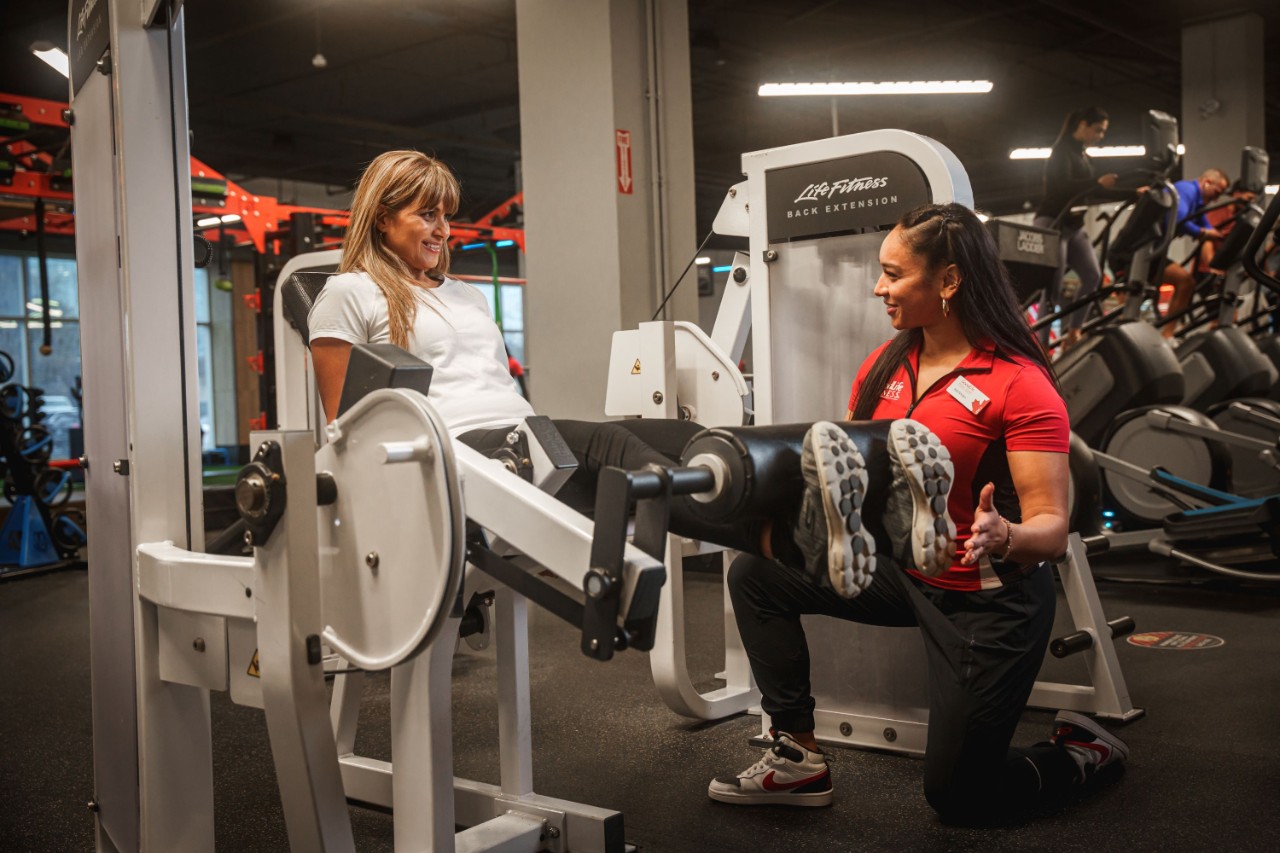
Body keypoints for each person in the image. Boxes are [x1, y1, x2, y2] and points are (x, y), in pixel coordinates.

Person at [306, 150, 956, 597]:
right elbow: (348, 428)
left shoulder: (466, 295)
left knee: (680, 438)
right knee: (610, 444)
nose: (443, 230)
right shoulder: (350, 294)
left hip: (514, 442)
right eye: (426, 214)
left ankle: (808, 531)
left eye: (446, 215)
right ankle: (798, 518)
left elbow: (499, 388)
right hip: (448, 459)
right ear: (382, 217)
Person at [708, 203, 1128, 824]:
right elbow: (857, 471)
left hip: (987, 599)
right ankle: (797, 755)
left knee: (961, 796)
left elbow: (1052, 528)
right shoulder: (884, 366)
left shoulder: (1019, 384)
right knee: (757, 574)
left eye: (893, 274)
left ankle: (1081, 752)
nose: (878, 288)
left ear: (949, 280)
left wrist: (1005, 534)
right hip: (905, 573)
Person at [1032, 107, 1121, 352]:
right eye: (1098, 130)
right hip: (1053, 222)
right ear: (1082, 125)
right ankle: (1041, 347)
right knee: (1052, 287)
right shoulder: (1061, 152)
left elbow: (1097, 190)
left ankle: (1074, 332)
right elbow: (1061, 187)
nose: (1100, 136)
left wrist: (1135, 193)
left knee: (1092, 276)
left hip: (1073, 226)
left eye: (1103, 131)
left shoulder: (1083, 155)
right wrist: (1095, 183)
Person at [1159, 167, 1230, 338]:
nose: (1216, 199)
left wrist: (1217, 236)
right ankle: (1166, 336)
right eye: (1216, 193)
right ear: (1207, 183)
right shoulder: (1186, 189)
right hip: (1132, 251)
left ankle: (1167, 336)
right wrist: (1203, 233)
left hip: (1151, 253)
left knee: (1186, 283)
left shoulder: (1198, 203)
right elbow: (1180, 220)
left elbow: (1206, 226)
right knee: (1184, 282)